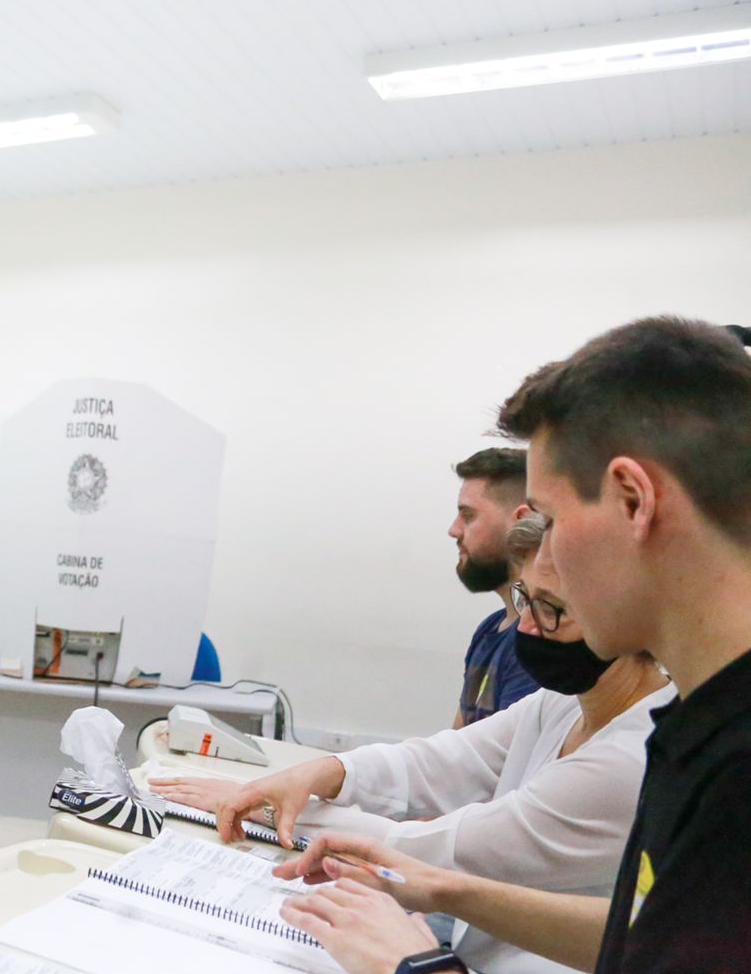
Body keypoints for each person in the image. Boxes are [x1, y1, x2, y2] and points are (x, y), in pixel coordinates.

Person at [269, 317, 751, 973]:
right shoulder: (694, 725)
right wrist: (449, 888)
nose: (540, 560)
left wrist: (420, 968)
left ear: (634, 501)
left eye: (548, 521)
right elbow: (653, 930)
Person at [153, 513, 671, 974]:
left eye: (552, 609)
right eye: (525, 600)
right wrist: (323, 772)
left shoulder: (632, 756)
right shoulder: (565, 702)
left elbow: (455, 850)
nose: (527, 626)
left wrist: (269, 810)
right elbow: (443, 761)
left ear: (621, 617)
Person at [449, 447, 541, 726]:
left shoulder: (540, 641)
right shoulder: (490, 630)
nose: (454, 530)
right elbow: (454, 745)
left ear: (521, 520)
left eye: (468, 515)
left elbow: (506, 762)